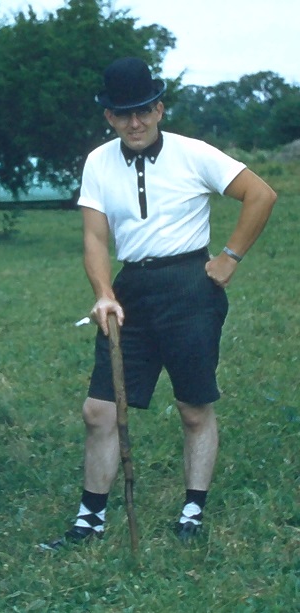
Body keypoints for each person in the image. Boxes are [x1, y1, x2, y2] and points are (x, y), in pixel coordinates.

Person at [49, 57, 277, 548]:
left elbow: (260, 194)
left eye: (144, 111)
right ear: (108, 116)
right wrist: (104, 294)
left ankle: (192, 510)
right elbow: (94, 236)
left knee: (193, 407)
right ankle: (90, 519)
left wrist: (230, 257)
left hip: (190, 287)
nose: (135, 123)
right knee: (99, 410)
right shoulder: (98, 162)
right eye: (122, 113)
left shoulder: (194, 154)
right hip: (131, 291)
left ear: (159, 108)